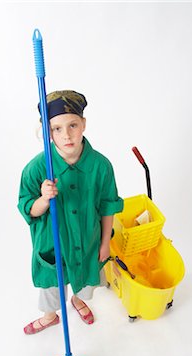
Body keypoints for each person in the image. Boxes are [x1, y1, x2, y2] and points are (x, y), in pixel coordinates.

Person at [18, 90, 123, 334]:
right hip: (52, 245)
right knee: (52, 286)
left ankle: (77, 300)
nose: (66, 135)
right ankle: (49, 316)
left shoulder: (101, 166)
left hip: (88, 240)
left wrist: (105, 242)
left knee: (84, 279)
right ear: (47, 132)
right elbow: (28, 209)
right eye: (56, 129)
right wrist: (43, 199)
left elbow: (108, 206)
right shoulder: (36, 169)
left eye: (73, 125)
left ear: (83, 124)